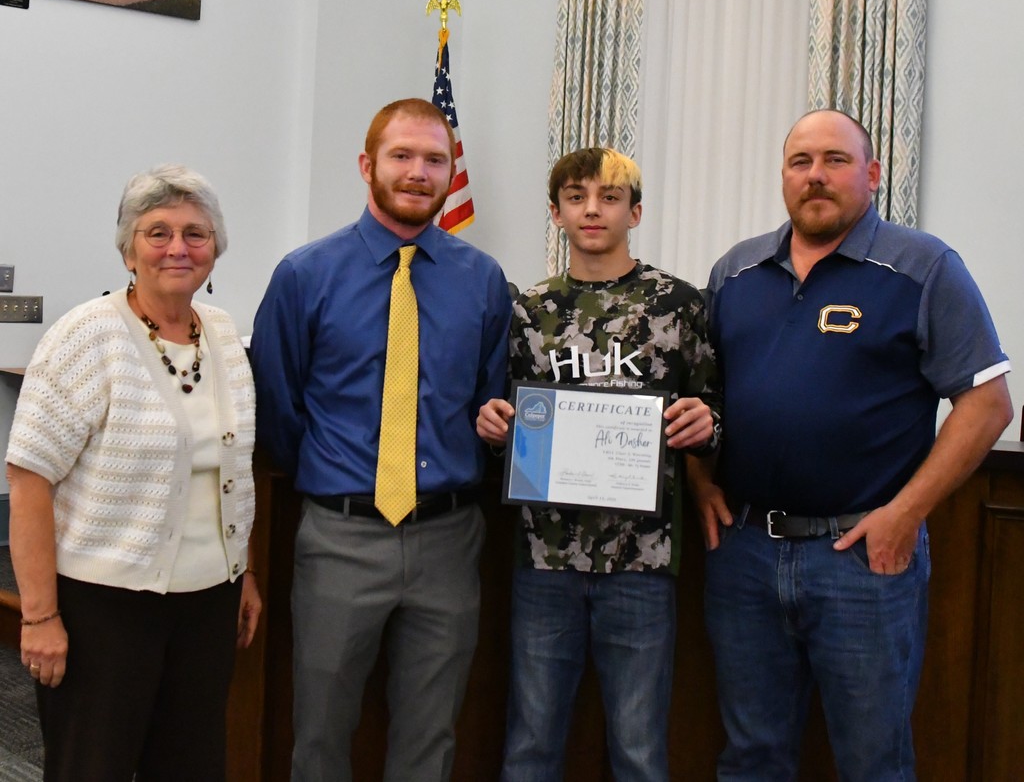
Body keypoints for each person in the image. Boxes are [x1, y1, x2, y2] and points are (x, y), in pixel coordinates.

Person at [690, 109, 1013, 781]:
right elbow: (699, 397)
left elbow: (987, 405)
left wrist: (905, 514)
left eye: (835, 160)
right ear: (784, 176)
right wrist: (700, 483)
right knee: (751, 757)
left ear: (870, 173)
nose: (815, 176)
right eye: (800, 161)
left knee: (873, 761)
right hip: (744, 555)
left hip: (862, 558)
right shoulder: (735, 273)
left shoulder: (923, 268)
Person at [249, 98, 512, 782]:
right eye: (402, 155)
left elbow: (489, 401)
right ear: (367, 165)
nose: (419, 172)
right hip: (341, 537)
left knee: (431, 739)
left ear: (452, 172)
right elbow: (279, 408)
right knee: (321, 733)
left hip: (449, 539)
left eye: (435, 159)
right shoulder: (304, 274)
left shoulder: (482, 280)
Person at [5, 164, 261, 781]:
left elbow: (230, 472)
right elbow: (29, 480)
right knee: (93, 766)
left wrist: (242, 570)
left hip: (208, 602)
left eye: (195, 234)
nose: (178, 248)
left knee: (192, 764)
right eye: (157, 232)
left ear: (215, 250)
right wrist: (38, 616)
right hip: (104, 609)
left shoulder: (223, 334)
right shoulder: (85, 336)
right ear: (128, 250)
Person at [477, 147, 722, 781]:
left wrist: (708, 424)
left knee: (639, 750)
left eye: (609, 198)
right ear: (555, 213)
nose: (593, 209)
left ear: (635, 212)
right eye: (577, 197)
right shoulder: (527, 310)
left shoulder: (679, 304)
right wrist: (495, 426)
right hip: (544, 558)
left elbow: (717, 411)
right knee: (530, 743)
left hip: (643, 560)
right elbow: (509, 418)